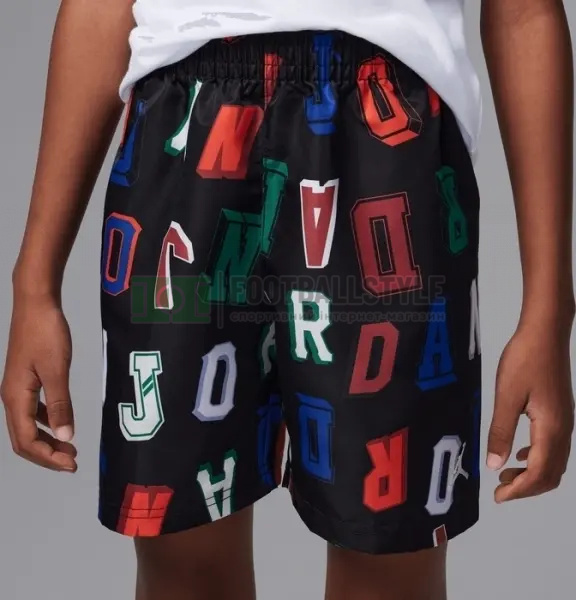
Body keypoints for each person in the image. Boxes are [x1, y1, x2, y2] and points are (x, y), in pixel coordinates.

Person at [1, 1, 574, 599]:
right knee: (180, 555)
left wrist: (549, 312)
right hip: (183, 124)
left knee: (387, 559)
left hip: (384, 133)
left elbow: (523, 14)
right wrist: (34, 283)